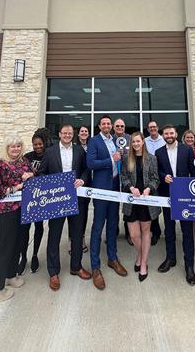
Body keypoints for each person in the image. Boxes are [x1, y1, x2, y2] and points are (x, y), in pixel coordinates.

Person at [39, 124, 91, 291]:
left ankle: (76, 266)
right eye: (65, 133)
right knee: (54, 235)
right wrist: (52, 184)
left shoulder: (79, 151)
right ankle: (53, 272)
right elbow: (41, 173)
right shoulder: (50, 152)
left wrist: (82, 180)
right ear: (59, 134)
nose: (67, 135)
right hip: (57, 199)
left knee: (77, 234)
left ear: (73, 135)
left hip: (76, 198)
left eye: (70, 133)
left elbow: (85, 170)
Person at [0, 135, 34, 302]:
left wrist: (30, 176)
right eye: (12, 147)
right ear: (7, 148)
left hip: (21, 210)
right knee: (4, 248)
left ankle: (10, 275)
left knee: (17, 244)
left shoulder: (24, 163)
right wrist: (15, 188)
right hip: (4, 213)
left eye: (18, 146)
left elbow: (32, 180)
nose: (16, 149)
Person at [87, 115, 128, 290]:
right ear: (99, 126)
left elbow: (121, 161)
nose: (106, 125)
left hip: (115, 187)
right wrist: (111, 159)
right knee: (98, 227)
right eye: (103, 123)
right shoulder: (94, 141)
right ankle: (95, 267)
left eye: (108, 123)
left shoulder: (116, 140)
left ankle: (112, 258)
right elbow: (91, 163)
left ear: (111, 126)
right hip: (101, 189)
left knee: (113, 224)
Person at [155, 124, 195, 285]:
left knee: (187, 232)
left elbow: (194, 173)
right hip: (167, 195)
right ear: (163, 135)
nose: (169, 135)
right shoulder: (159, 152)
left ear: (175, 134)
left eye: (171, 133)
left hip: (185, 196)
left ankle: (189, 266)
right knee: (169, 230)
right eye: (166, 133)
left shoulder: (187, 150)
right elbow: (157, 171)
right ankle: (170, 258)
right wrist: (163, 176)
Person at [121, 132, 160, 282]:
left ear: (143, 142)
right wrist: (131, 187)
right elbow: (123, 177)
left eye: (138, 141)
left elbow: (155, 179)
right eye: (133, 142)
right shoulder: (126, 158)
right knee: (134, 235)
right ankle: (140, 254)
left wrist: (149, 188)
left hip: (146, 201)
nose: (136, 144)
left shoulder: (152, 158)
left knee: (145, 232)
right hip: (131, 200)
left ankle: (143, 263)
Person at [18, 128, 50, 275]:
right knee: (24, 229)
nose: (37, 146)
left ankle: (35, 254)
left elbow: (50, 174)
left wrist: (35, 174)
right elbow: (19, 174)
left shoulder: (49, 155)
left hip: (41, 198)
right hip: (27, 198)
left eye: (39, 144)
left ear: (44, 143)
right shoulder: (27, 157)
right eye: (35, 144)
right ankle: (23, 257)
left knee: (38, 227)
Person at [145, 121, 165, 245]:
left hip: (163, 176)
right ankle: (155, 231)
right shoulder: (145, 141)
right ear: (148, 129)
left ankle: (169, 229)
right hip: (150, 177)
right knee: (152, 206)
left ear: (157, 128)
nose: (152, 129)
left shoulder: (164, 140)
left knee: (165, 205)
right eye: (150, 127)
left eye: (154, 127)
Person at [112, 118, 132, 245]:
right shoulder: (109, 139)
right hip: (113, 176)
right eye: (117, 126)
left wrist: (125, 153)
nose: (120, 128)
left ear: (125, 128)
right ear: (114, 127)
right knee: (113, 206)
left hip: (127, 176)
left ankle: (129, 233)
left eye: (122, 126)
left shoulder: (130, 138)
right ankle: (113, 231)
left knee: (128, 205)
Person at [74, 125, 91, 253]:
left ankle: (82, 238)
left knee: (84, 212)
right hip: (74, 184)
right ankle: (71, 240)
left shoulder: (91, 146)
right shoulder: (74, 147)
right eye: (82, 131)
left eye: (86, 131)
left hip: (87, 184)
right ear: (78, 134)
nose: (84, 133)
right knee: (73, 213)